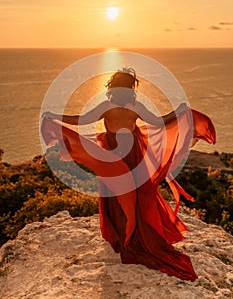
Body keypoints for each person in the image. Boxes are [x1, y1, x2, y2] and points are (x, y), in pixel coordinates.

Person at [41, 68, 216, 281]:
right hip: (133, 153)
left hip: (113, 152)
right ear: (131, 89)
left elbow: (81, 120)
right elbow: (158, 122)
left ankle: (122, 234)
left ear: (113, 87)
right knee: (136, 193)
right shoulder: (135, 106)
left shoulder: (107, 106)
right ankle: (136, 233)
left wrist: (55, 116)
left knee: (116, 194)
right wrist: (178, 111)